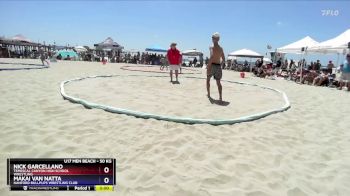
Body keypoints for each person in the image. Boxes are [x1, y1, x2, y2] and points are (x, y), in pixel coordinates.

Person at [207, 32, 225, 103]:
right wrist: (220, 65)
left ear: (215, 39)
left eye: (212, 37)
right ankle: (220, 97)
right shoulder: (221, 48)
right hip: (218, 66)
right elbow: (223, 59)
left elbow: (211, 57)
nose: (212, 39)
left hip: (212, 65)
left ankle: (208, 94)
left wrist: (208, 66)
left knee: (208, 80)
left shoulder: (211, 47)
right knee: (218, 82)